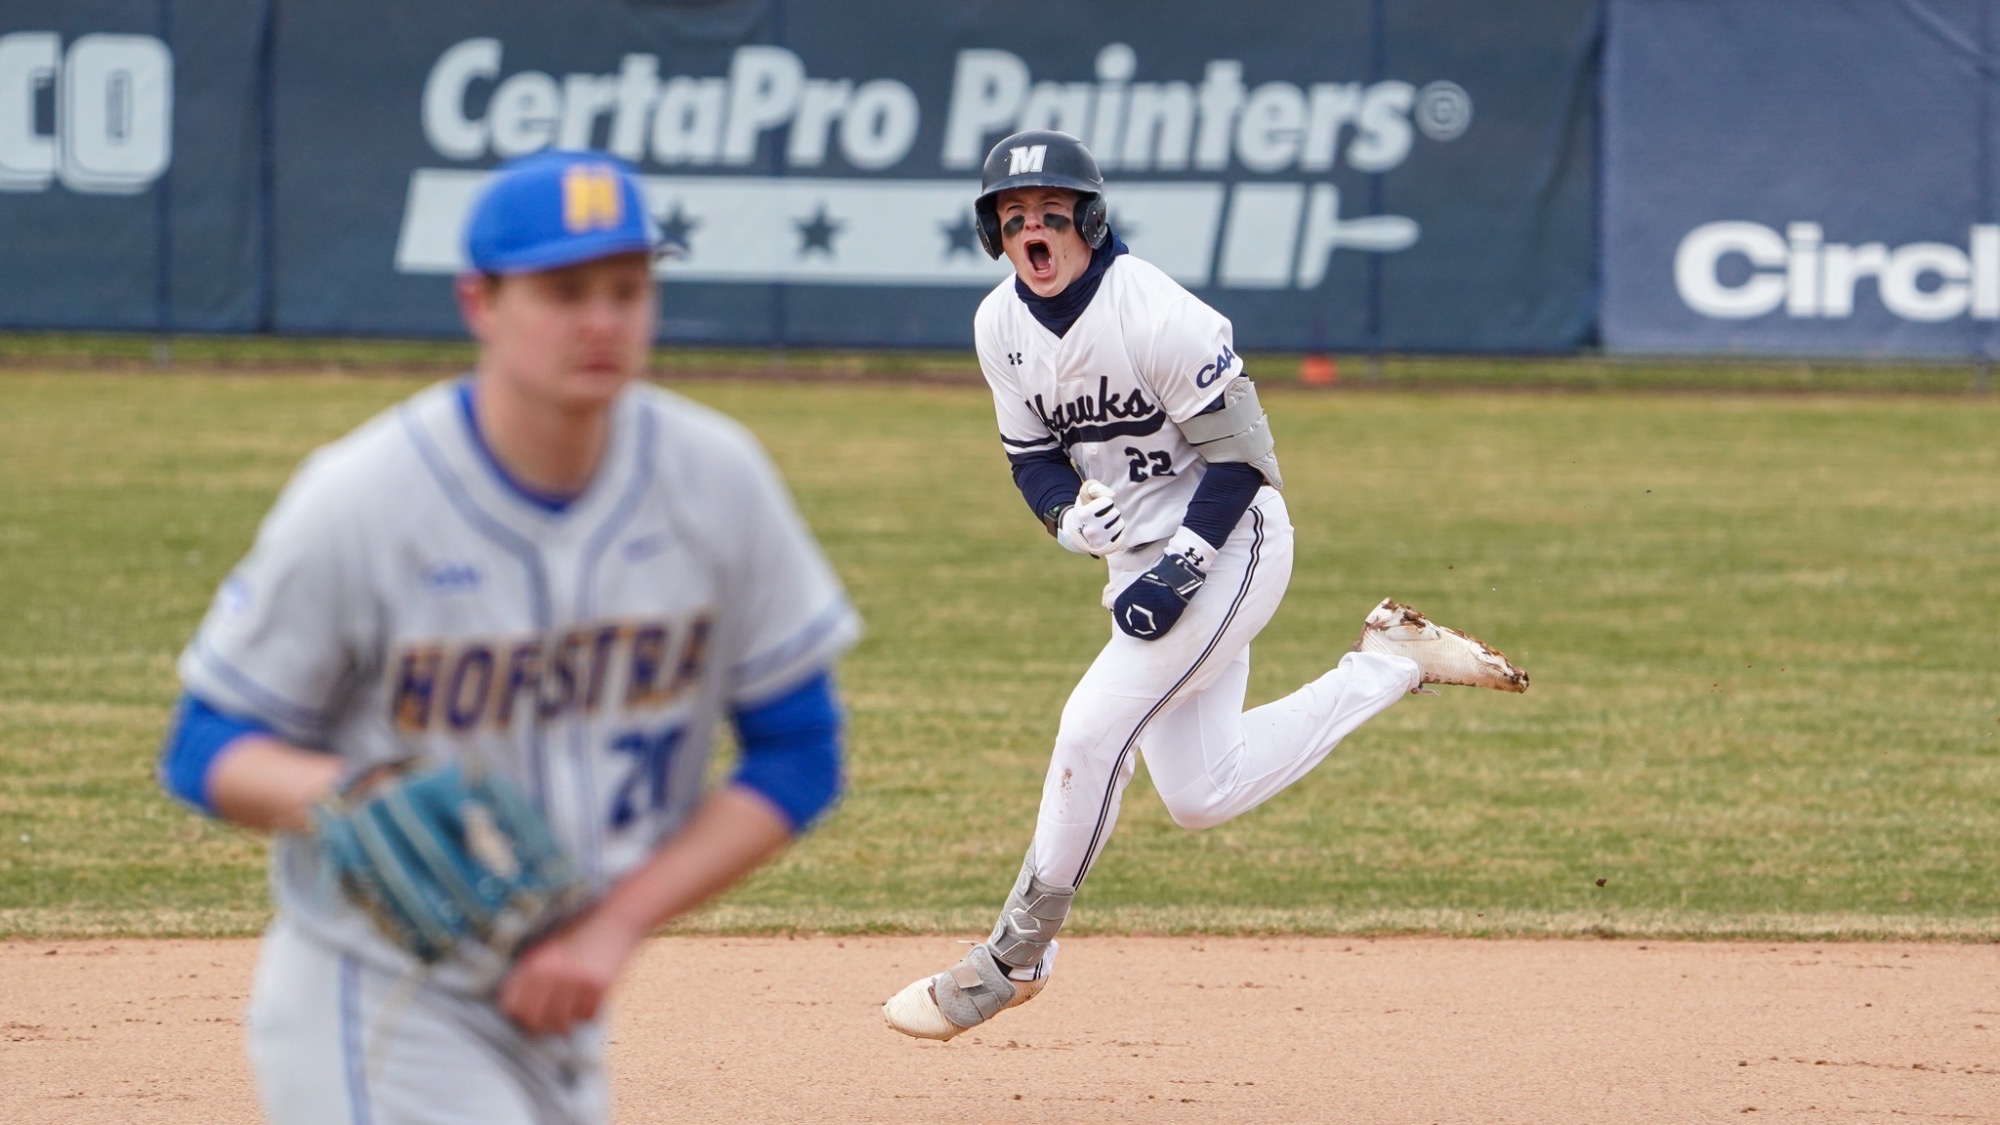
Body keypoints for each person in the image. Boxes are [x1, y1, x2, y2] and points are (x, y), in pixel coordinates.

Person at [157, 150, 861, 1121]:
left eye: (626, 287)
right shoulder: (362, 499)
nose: (602, 320)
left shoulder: (716, 480)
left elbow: (799, 749)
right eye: (564, 290)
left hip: (560, 1009)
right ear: (479, 302)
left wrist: (613, 928)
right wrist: (348, 793)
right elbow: (202, 745)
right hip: (374, 1004)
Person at [881, 130, 1528, 1042]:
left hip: (1234, 541)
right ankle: (1389, 665)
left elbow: (1246, 460)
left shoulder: (1158, 314)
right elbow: (1031, 456)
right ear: (994, 233)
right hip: (1139, 558)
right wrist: (1067, 519)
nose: (1035, 228)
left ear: (1090, 221)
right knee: (1201, 790)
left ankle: (1015, 955)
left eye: (1052, 213)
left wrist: (1184, 564)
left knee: (1093, 729)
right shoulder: (999, 326)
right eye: (1014, 216)